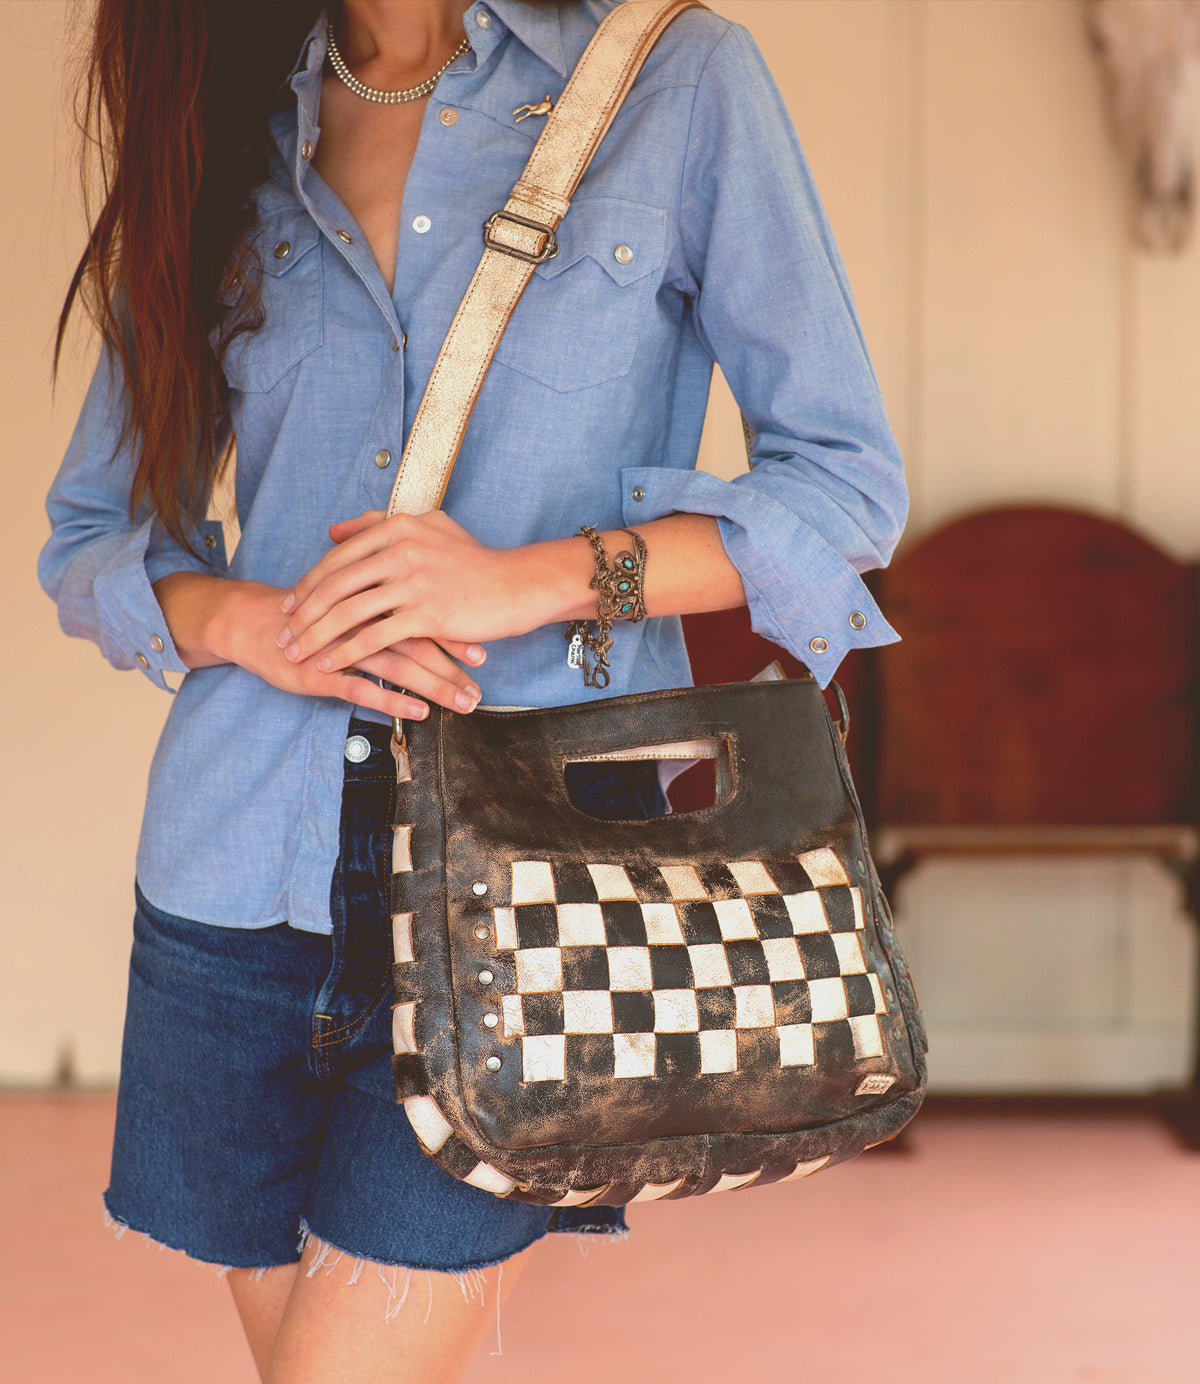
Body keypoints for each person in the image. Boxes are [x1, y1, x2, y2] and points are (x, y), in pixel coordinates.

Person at [39, 0, 907, 1379]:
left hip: (533, 889)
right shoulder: (230, 119)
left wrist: (533, 580)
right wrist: (252, 624)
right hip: (234, 879)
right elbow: (95, 541)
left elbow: (845, 492)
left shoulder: (674, 79)